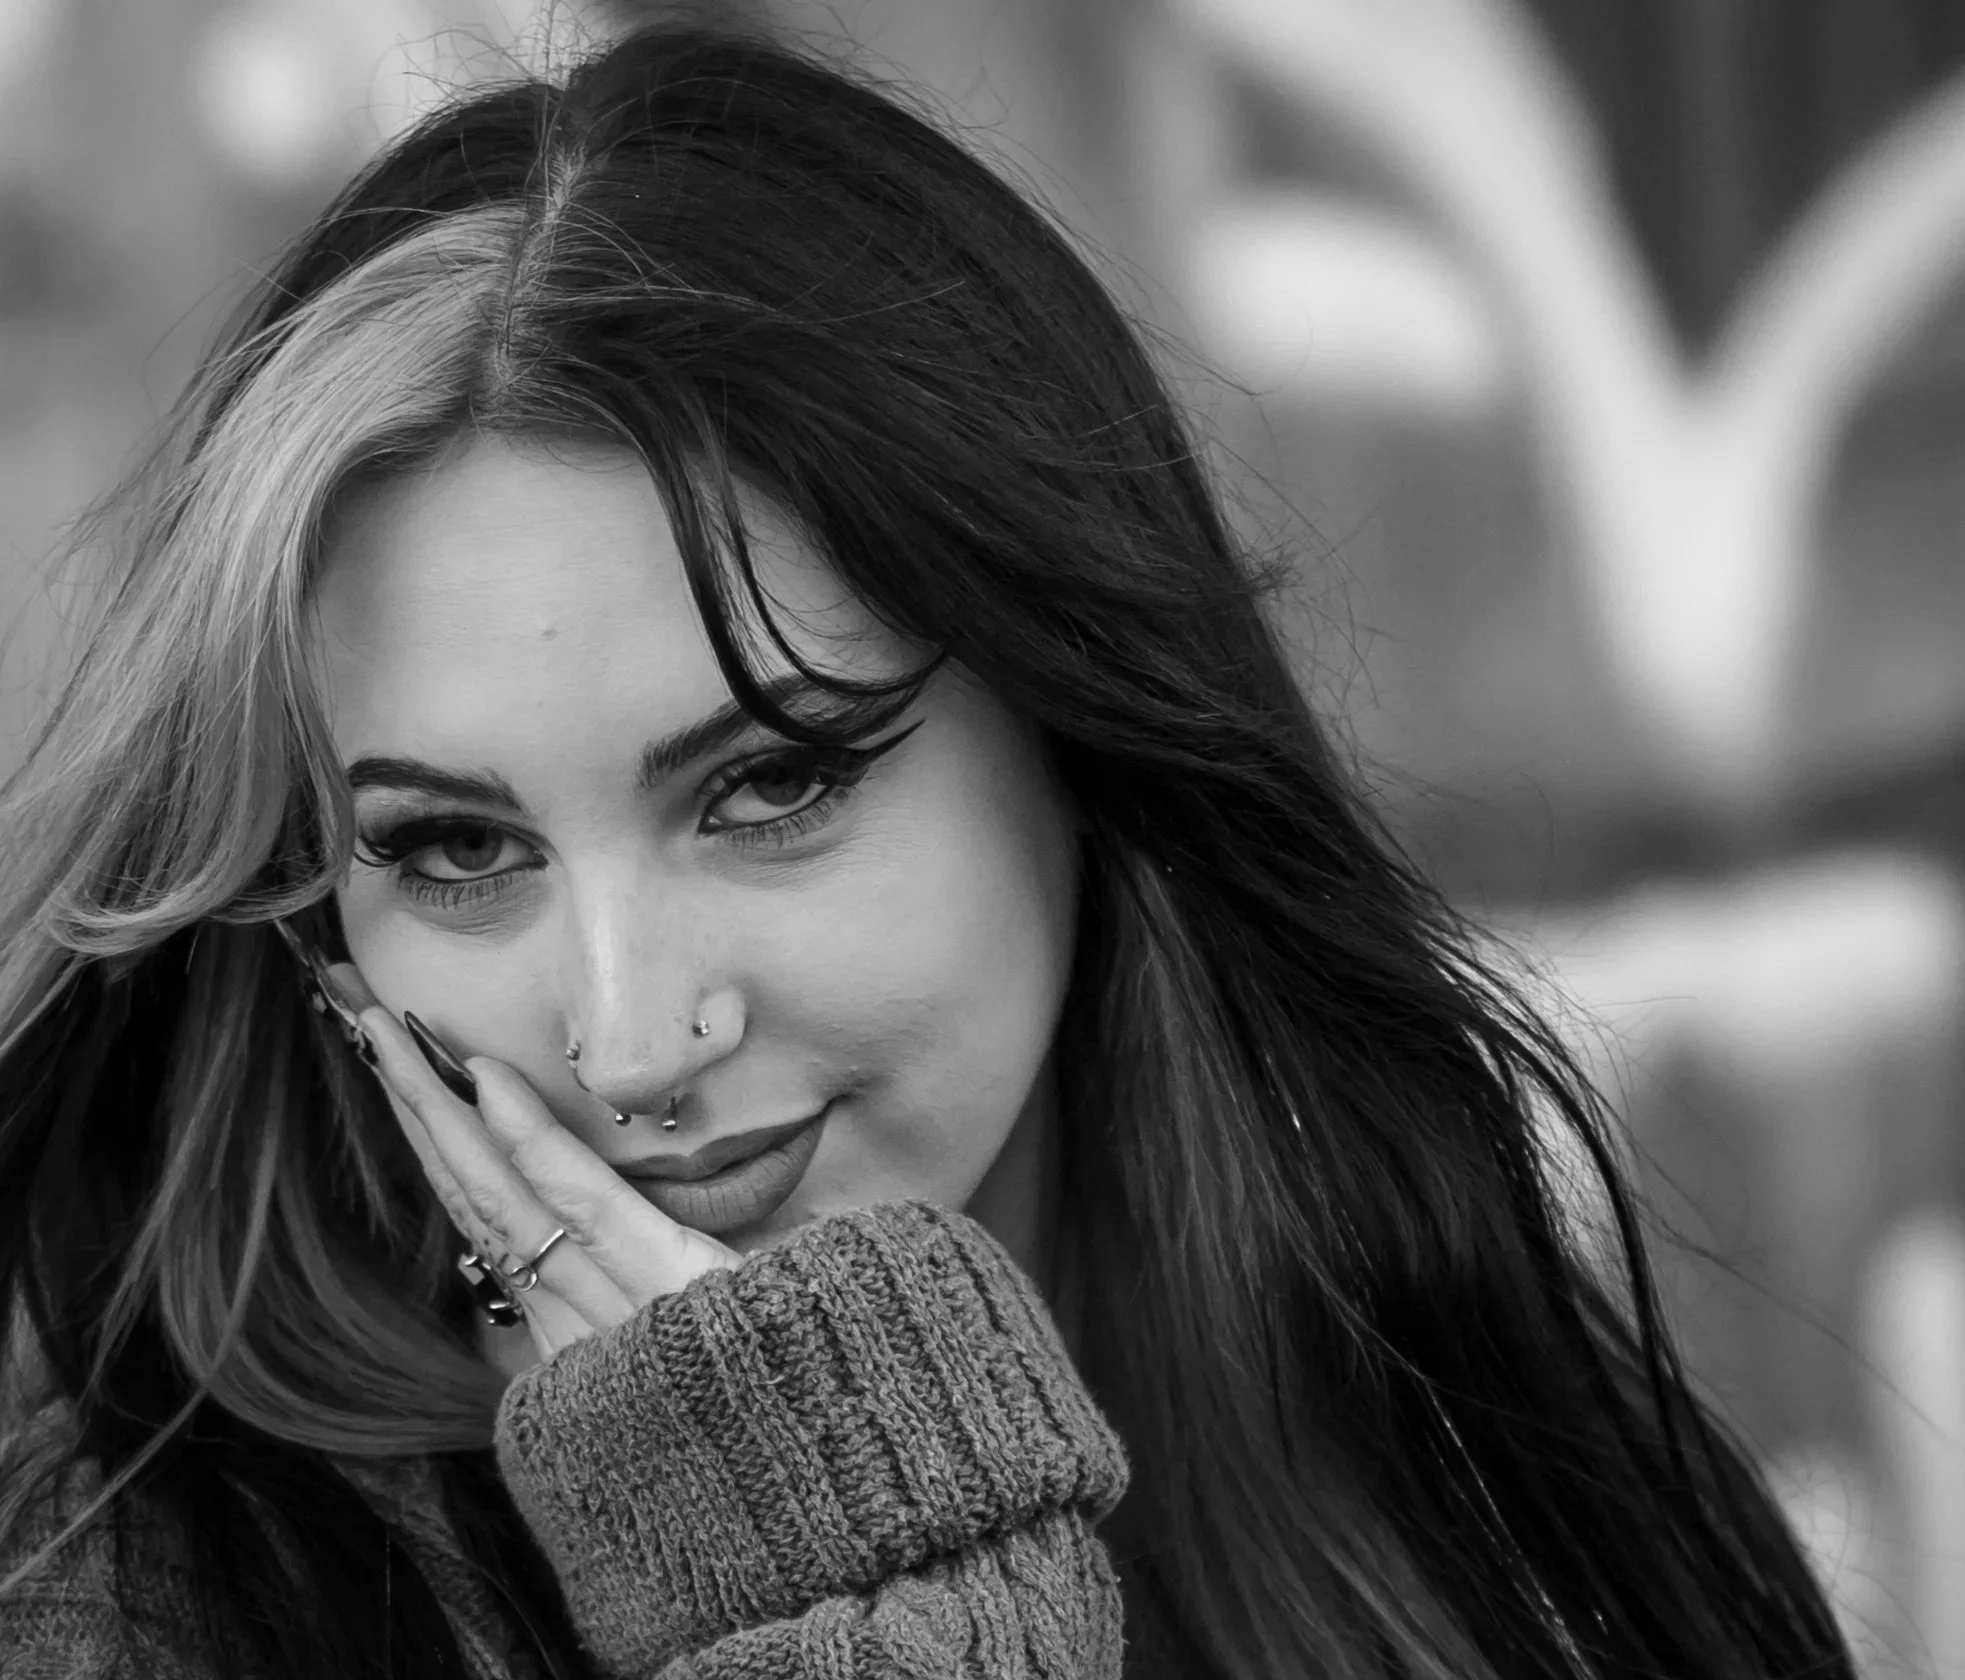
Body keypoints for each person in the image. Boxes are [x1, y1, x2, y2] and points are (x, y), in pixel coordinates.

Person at [0, 19, 1856, 1680]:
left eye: (775, 787)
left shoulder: (1481, 1474)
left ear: (1083, 731)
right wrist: (846, 1584)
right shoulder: (142, 1606)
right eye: (457, 849)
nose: (635, 1046)